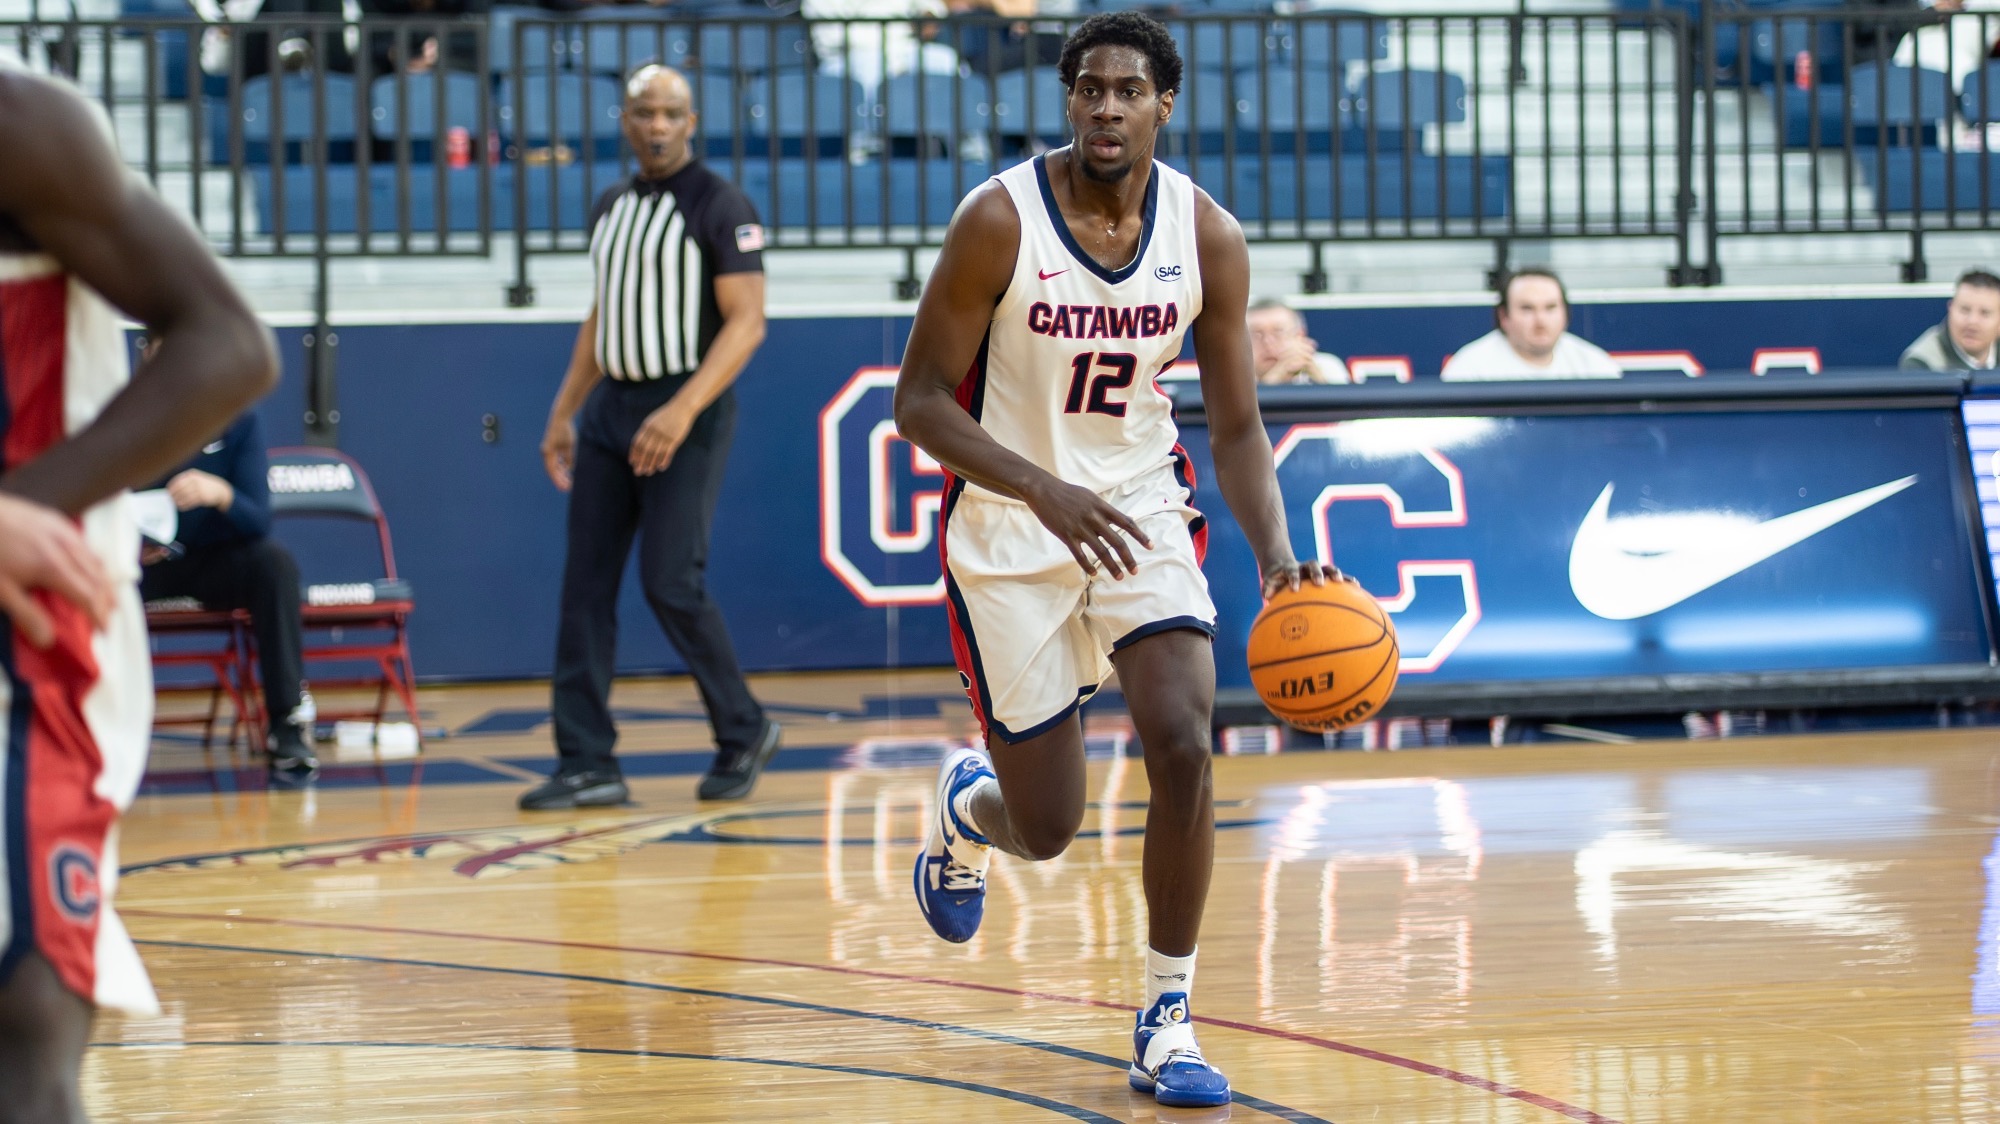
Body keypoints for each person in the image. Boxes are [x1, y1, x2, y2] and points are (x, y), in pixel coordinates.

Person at [891, 12, 1339, 1109]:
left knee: (1183, 741)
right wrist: (1039, 485)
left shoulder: (1208, 236)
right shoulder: (995, 220)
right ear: (1067, 101)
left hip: (1138, 509)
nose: (1104, 107)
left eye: (1126, 90)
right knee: (1046, 828)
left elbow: (1234, 428)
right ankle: (967, 808)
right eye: (1087, 88)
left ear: (1161, 105)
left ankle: (1166, 1016)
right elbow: (915, 405)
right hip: (1008, 532)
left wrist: (1277, 555)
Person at [0, 68, 277, 1124]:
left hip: (29, 641)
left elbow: (230, 345)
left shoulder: (24, 125)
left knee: (21, 1024)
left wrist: (24, 503)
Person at [522, 64, 781, 812]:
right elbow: (602, 316)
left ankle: (744, 728)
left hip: (684, 408)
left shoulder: (719, 203)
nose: (658, 125)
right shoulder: (611, 206)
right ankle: (586, 761)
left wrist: (683, 409)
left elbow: (748, 323)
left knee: (671, 581)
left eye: (671, 112)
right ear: (625, 120)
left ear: (690, 121)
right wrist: (563, 412)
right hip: (611, 410)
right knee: (585, 587)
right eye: (644, 112)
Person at [139, 407, 318, 776]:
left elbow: (259, 519)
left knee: (275, 564)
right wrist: (130, 543)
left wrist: (221, 494)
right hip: (145, 564)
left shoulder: (238, 419)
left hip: (214, 564)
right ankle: (71, 724)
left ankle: (286, 724)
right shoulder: (133, 416)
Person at [1440, 267, 1621, 381]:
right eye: (1527, 309)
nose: (1540, 320)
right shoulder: (1470, 370)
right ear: (1504, 317)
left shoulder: (1595, 366)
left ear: (1565, 314)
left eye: (1550, 308)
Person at [1900, 268, 2000, 370]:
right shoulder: (1921, 364)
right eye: (1965, 310)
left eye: (1985, 313)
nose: (1972, 321)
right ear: (1950, 309)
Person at [1247, 297, 1350, 385]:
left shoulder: (1327, 365)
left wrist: (1316, 376)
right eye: (1256, 334)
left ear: (1300, 336)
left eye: (1278, 333)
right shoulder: (1235, 376)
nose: (1267, 342)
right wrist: (1277, 374)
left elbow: (1342, 406)